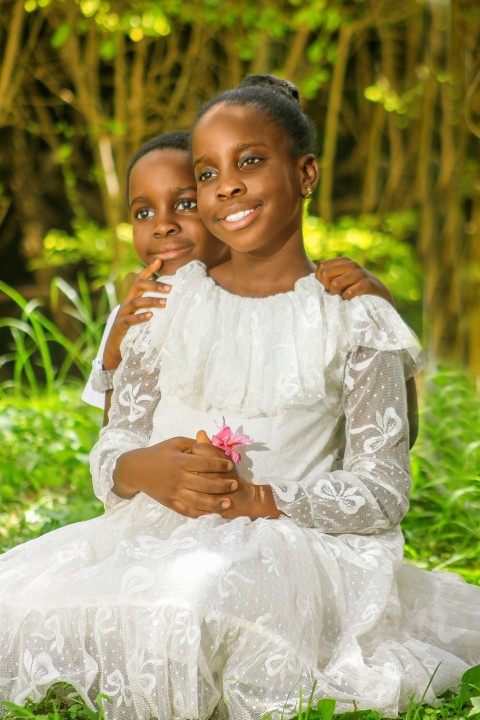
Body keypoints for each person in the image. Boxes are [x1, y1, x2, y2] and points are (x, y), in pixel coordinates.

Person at [3, 75, 475, 720]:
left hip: (290, 541)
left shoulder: (353, 316)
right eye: (207, 172)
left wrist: (260, 499)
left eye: (249, 162)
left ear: (305, 174)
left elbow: (385, 490)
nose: (225, 185)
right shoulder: (163, 305)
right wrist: (141, 468)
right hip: (154, 532)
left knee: (196, 602)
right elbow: (114, 442)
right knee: (25, 602)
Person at [82, 129, 417, 442]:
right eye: (143, 213)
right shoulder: (142, 316)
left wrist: (382, 311)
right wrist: (113, 356)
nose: (163, 226)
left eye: (186, 204)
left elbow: (398, 435)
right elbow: (120, 449)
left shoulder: (321, 307)